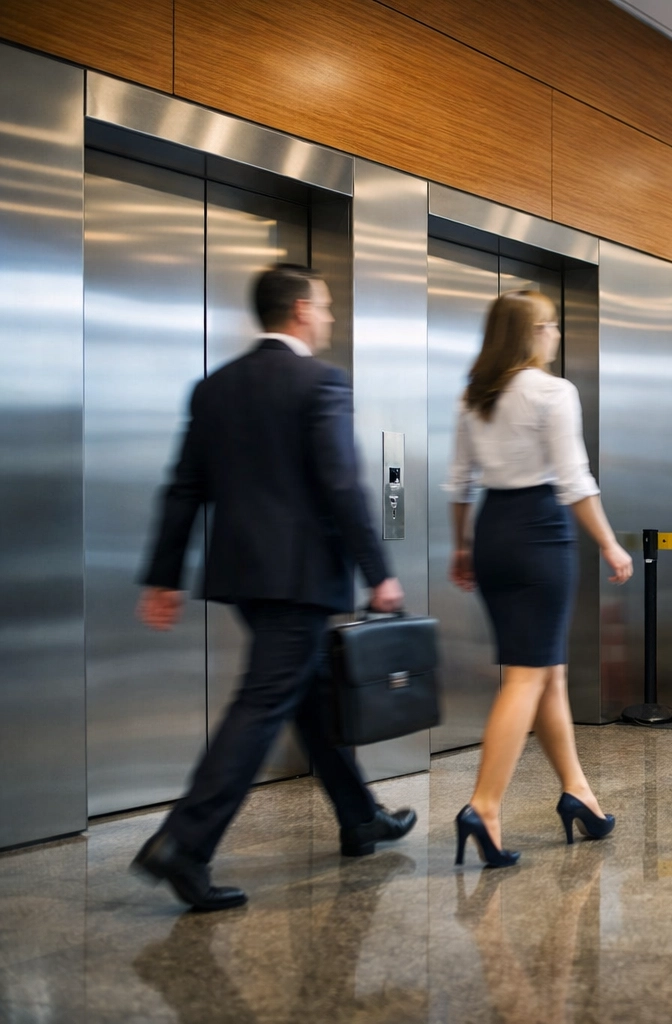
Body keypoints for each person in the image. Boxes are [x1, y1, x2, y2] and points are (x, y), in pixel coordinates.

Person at [133, 264, 416, 911]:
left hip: (243, 575)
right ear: (297, 310)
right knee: (263, 703)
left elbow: (184, 488)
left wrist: (164, 575)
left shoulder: (216, 388)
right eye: (325, 306)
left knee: (311, 694)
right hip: (301, 576)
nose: (330, 318)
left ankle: (359, 815)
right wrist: (380, 572)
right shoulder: (321, 383)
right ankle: (184, 843)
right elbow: (341, 485)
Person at [446, 290, 633, 868]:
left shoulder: (475, 397)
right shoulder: (553, 392)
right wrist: (608, 542)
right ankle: (485, 806)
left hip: (493, 529)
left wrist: (462, 546)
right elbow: (574, 480)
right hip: (539, 532)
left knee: (547, 670)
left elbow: (458, 483)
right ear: (530, 334)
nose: (554, 334)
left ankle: (579, 793)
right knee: (526, 677)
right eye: (549, 325)